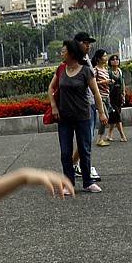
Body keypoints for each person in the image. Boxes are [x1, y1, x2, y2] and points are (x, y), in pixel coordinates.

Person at [48, 39, 107, 193]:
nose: (61, 54)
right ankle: (69, 183)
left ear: (72, 53)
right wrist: (54, 106)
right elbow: (51, 88)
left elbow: (95, 92)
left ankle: (88, 181)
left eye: (63, 51)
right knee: (66, 152)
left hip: (83, 116)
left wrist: (101, 112)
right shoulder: (60, 69)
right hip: (64, 118)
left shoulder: (85, 70)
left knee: (84, 149)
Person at [72, 32, 101, 182]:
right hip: (84, 106)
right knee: (86, 139)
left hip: (90, 103)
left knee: (88, 138)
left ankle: (75, 164)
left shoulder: (86, 59)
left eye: (89, 43)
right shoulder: (75, 61)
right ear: (77, 44)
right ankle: (83, 167)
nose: (88, 46)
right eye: (85, 43)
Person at [91, 49, 112, 146]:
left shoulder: (105, 69)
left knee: (106, 117)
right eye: (104, 56)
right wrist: (104, 82)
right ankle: (99, 139)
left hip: (107, 95)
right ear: (98, 58)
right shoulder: (95, 70)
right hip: (100, 96)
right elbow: (93, 83)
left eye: (106, 56)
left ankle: (101, 138)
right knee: (105, 117)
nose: (106, 58)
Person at [107, 54, 127, 141]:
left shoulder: (120, 71)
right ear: (110, 62)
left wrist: (123, 94)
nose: (115, 61)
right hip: (111, 96)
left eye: (117, 59)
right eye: (113, 59)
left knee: (114, 116)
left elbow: (122, 82)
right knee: (117, 115)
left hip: (119, 95)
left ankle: (109, 135)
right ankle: (122, 135)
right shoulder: (108, 72)